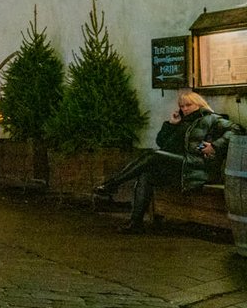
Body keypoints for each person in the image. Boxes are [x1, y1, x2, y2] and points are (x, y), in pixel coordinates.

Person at [94, 89, 239, 233]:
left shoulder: (211, 119)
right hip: (181, 166)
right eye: (182, 106)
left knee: (153, 155)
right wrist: (171, 124)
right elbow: (162, 144)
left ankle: (113, 183)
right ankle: (135, 223)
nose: (185, 109)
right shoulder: (182, 122)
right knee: (146, 175)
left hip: (197, 166)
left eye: (189, 105)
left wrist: (214, 146)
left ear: (199, 104)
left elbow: (237, 129)